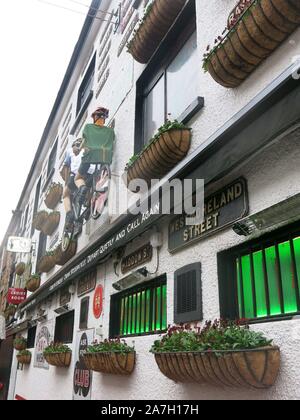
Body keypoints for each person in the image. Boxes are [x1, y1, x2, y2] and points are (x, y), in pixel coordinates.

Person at [74, 107, 114, 209]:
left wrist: (79, 148)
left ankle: (82, 188)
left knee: (77, 178)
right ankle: (99, 190)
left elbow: (84, 141)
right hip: (105, 157)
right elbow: (112, 140)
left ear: (94, 117)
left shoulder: (88, 127)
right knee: (100, 175)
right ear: (104, 119)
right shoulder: (109, 131)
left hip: (90, 156)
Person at [60, 139, 84, 231]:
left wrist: (66, 183)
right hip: (87, 174)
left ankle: (69, 214)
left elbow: (66, 166)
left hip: (74, 176)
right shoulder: (86, 149)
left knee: (65, 194)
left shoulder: (70, 151)